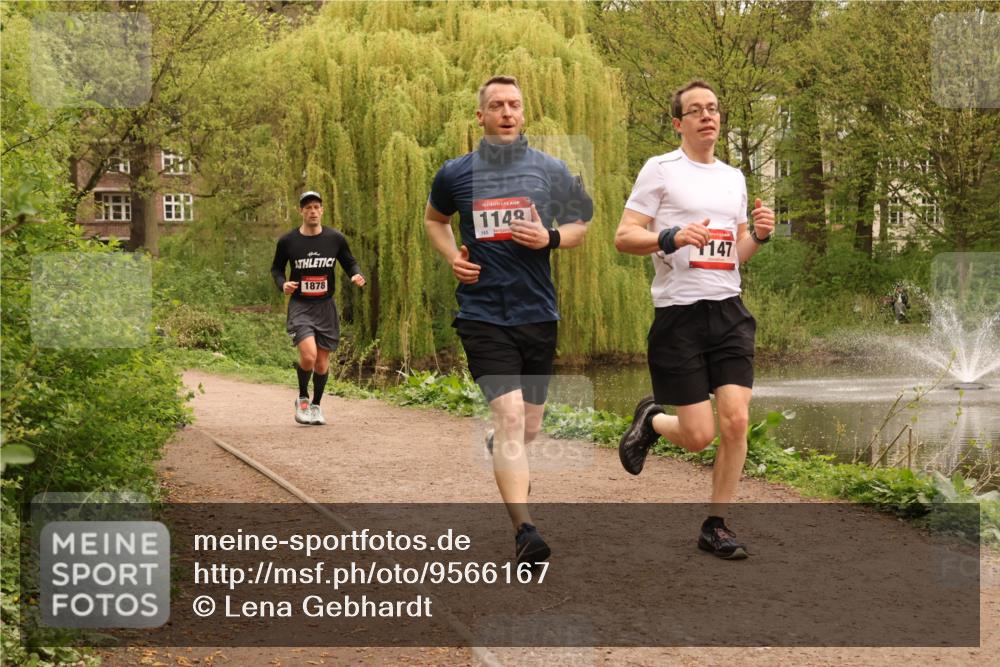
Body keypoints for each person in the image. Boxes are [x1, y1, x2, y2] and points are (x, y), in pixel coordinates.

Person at [423, 75, 593, 565]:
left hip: (537, 312)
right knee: (512, 415)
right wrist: (452, 254)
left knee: (529, 428)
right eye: (496, 105)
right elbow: (435, 219)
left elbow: (581, 225)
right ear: (480, 115)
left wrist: (552, 239)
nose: (506, 112)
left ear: (524, 113)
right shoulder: (455, 173)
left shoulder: (549, 169)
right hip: (481, 312)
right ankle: (526, 531)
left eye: (514, 104)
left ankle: (505, 445)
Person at [613, 80, 775, 560]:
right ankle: (653, 419)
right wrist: (671, 237)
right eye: (697, 110)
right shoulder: (660, 170)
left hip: (729, 311)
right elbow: (625, 236)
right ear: (677, 122)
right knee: (698, 437)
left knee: (737, 420)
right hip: (678, 316)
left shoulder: (734, 178)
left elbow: (735, 255)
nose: (708, 116)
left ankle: (716, 525)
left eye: (714, 109)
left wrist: (760, 237)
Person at [271, 191, 365, 426]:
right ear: (301, 211)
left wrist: (356, 274)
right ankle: (302, 398)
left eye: (316, 207)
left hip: (325, 306)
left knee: (322, 363)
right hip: (301, 305)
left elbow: (349, 261)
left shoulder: (335, 238)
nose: (312, 211)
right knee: (309, 355)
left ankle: (316, 406)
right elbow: (277, 269)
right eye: (307, 207)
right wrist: (284, 284)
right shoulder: (288, 241)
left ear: (322, 210)